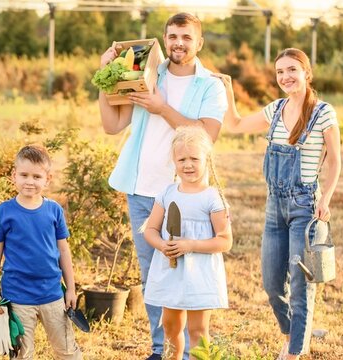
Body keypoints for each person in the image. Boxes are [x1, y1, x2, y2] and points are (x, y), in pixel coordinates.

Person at [98, 12, 227, 360]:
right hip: (142, 188)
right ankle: (161, 351)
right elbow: (112, 125)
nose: (178, 43)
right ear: (165, 39)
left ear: (198, 42)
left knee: (187, 272)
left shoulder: (210, 85)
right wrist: (104, 78)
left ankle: (190, 354)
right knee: (153, 275)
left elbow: (206, 136)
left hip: (185, 192)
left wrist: (162, 107)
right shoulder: (145, 74)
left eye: (186, 37)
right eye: (172, 36)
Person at [212, 48, 341, 360]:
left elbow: (336, 160)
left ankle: (295, 350)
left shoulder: (323, 112)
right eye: (280, 71)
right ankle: (295, 331)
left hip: (305, 206)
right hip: (274, 207)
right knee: (271, 284)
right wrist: (228, 90)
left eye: (292, 70)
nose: (286, 76)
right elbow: (237, 125)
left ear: (306, 73)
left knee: (301, 282)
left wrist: (326, 198)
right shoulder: (276, 109)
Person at [142, 126, 232, 359]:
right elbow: (150, 229)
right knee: (171, 326)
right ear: (174, 161)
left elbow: (225, 241)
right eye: (182, 159)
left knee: (197, 329)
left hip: (199, 274)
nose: (188, 164)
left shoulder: (212, 197)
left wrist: (191, 245)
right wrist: (162, 245)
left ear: (206, 159)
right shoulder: (167, 193)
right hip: (170, 271)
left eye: (194, 158)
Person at [0, 145, 82, 360]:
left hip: (52, 295)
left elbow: (64, 251)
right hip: (18, 297)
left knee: (66, 350)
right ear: (14, 176)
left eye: (37, 176)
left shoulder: (54, 210)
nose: (30, 181)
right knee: (22, 354)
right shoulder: (4, 212)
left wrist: (71, 289)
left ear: (48, 179)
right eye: (24, 175)